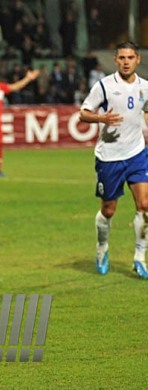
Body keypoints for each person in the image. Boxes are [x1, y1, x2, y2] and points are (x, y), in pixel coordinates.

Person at [79, 41, 148, 279]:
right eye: (122, 58)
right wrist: (101, 118)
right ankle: (102, 248)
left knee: (145, 206)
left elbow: (146, 113)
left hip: (137, 154)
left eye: (130, 57)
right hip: (109, 157)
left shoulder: (146, 87)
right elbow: (83, 113)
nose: (126, 62)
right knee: (108, 210)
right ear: (116, 60)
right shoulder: (104, 86)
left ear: (137, 59)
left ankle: (140, 257)